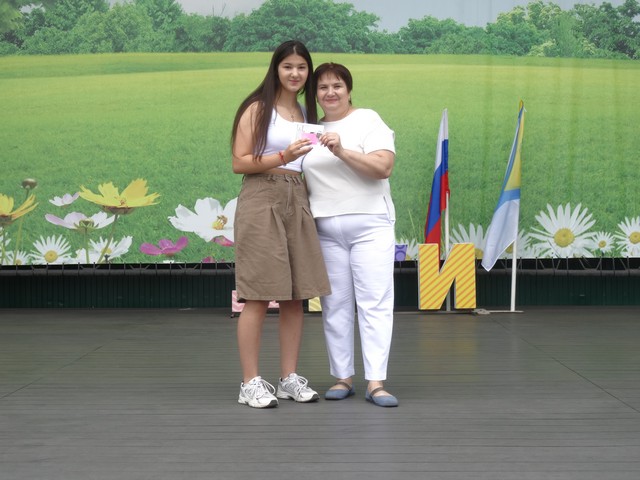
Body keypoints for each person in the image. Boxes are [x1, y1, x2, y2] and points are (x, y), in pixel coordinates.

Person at [231, 41, 331, 409]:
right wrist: (283, 155)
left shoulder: (305, 111)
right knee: (258, 294)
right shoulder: (257, 107)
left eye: (302, 67)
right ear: (276, 69)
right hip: (262, 196)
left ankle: (288, 378)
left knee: (296, 295)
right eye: (288, 66)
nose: (295, 73)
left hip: (297, 197)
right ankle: (249, 383)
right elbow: (239, 162)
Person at [302, 63, 399, 407]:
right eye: (323, 87)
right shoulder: (309, 130)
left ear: (348, 89)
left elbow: (383, 167)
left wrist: (341, 150)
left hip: (370, 225)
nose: (330, 92)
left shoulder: (368, 120)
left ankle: (376, 382)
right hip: (326, 229)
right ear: (315, 93)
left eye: (337, 86)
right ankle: (343, 377)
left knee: (374, 302)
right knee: (335, 305)